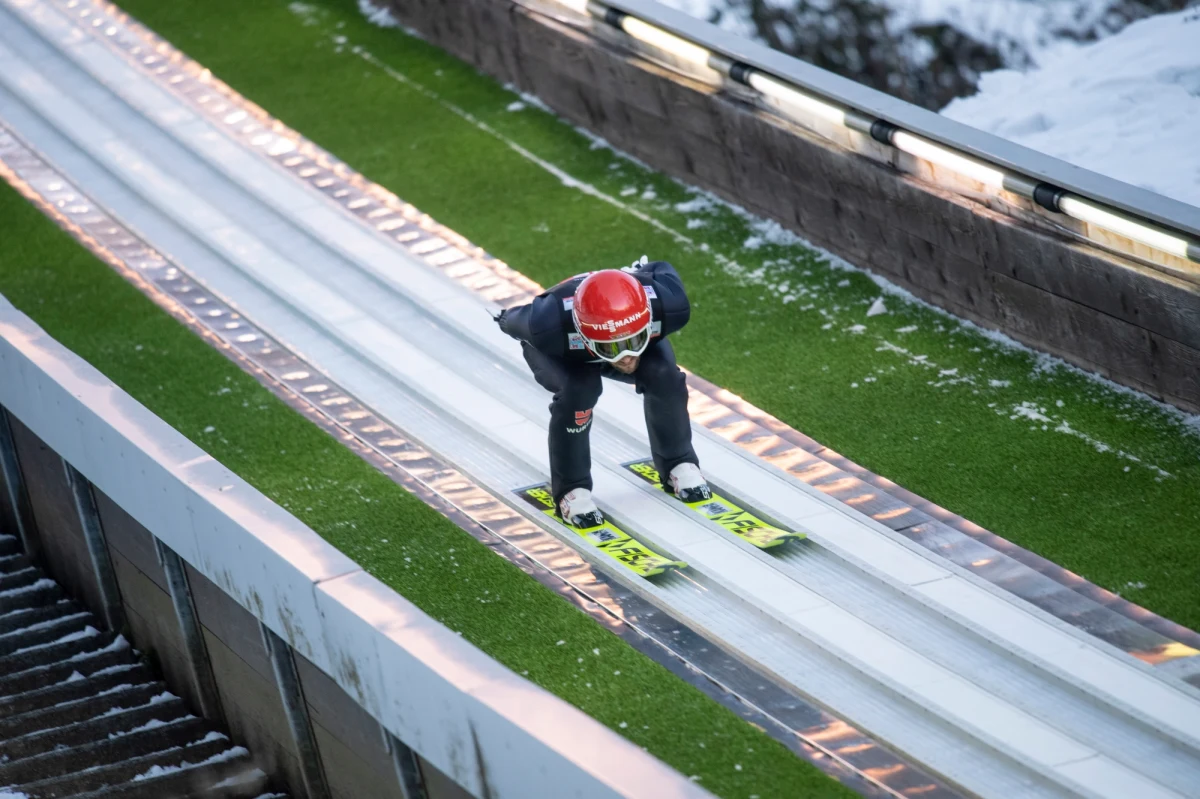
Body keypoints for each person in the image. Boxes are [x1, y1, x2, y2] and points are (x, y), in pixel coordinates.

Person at [494, 256, 711, 528]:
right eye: (613, 348)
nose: (626, 357)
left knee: (665, 376)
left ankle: (678, 463)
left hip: (593, 335)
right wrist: (503, 319)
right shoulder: (546, 324)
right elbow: (515, 319)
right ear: (585, 335)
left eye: (634, 341)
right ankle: (572, 490)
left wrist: (637, 274)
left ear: (649, 320)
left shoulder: (669, 304)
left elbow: (659, 266)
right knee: (579, 390)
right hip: (567, 350)